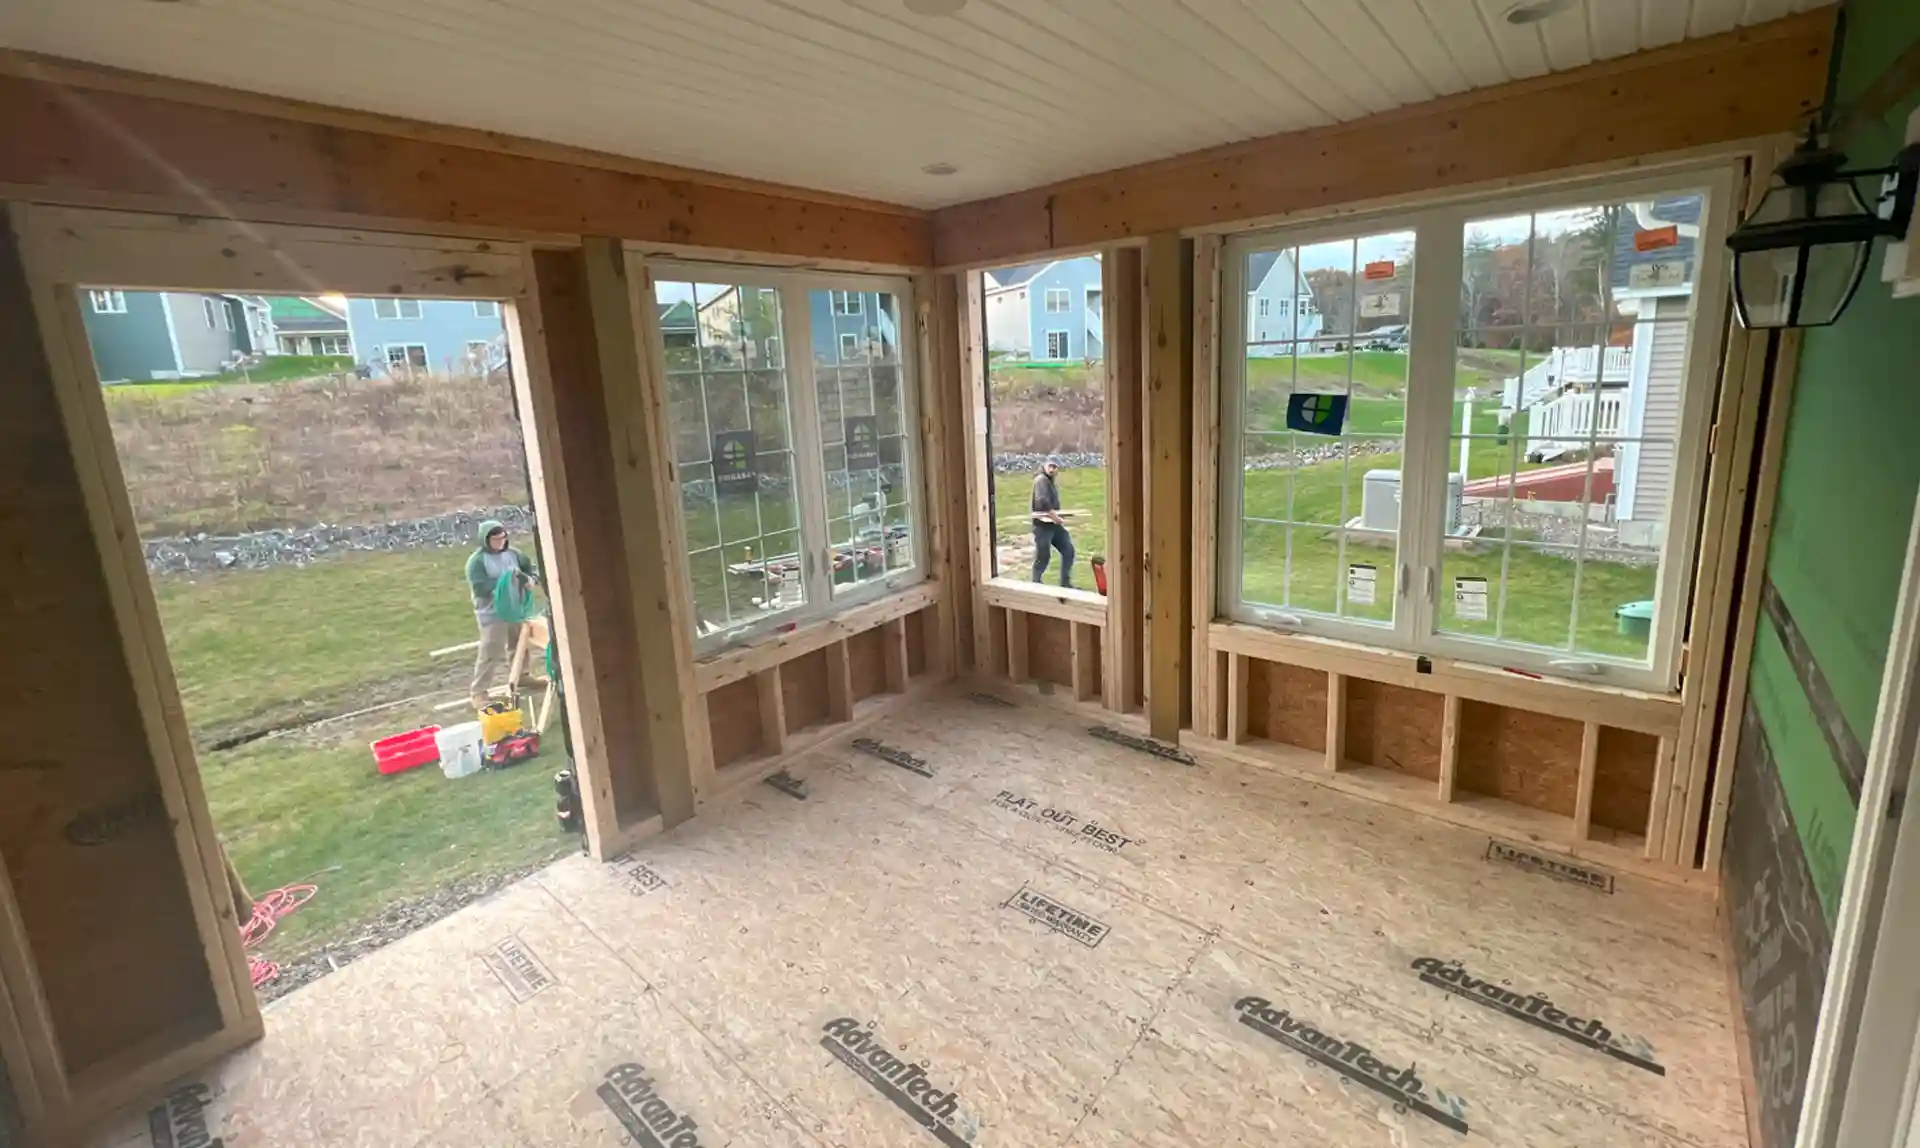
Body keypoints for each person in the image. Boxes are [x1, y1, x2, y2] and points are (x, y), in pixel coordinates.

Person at [466, 520, 539, 708]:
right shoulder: (477, 562)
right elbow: (481, 588)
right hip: (492, 613)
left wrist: (530, 579)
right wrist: (505, 581)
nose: (500, 542)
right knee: (490, 651)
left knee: (520, 645)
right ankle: (479, 692)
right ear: (485, 540)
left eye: (502, 538)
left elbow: (529, 571)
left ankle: (522, 676)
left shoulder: (515, 554)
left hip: (516, 608)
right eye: (495, 539)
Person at [1030, 456, 1075, 588]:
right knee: (1043, 556)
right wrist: (1056, 518)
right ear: (1044, 465)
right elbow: (1042, 501)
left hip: (1054, 526)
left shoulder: (1050, 481)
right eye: (1050, 465)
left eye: (1054, 467)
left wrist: (1057, 518)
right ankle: (1036, 583)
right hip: (1042, 527)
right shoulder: (1041, 480)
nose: (1051, 469)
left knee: (1068, 550)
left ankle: (1065, 582)